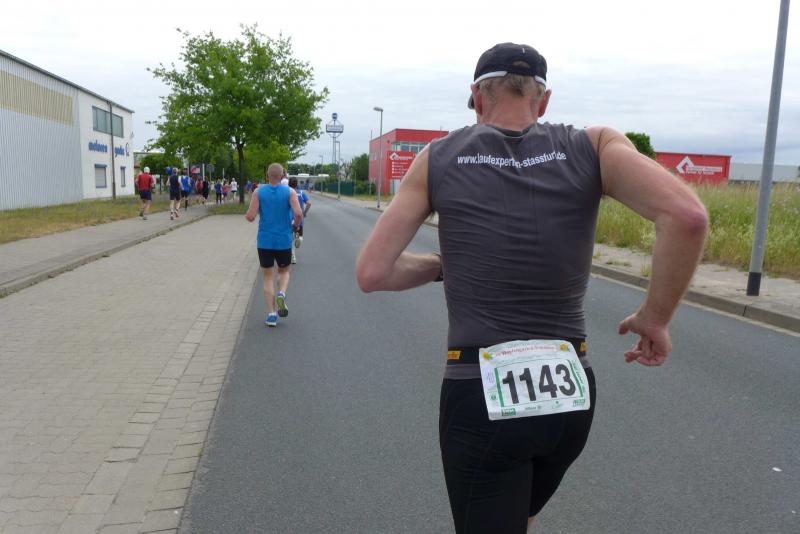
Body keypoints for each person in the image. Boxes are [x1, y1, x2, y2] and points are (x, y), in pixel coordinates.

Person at [355, 42, 708, 533]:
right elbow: (687, 217)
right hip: (569, 396)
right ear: (543, 100)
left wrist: (442, 266)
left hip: (480, 393)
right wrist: (656, 317)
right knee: (518, 514)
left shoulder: (438, 158)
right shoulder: (596, 145)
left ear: (478, 96)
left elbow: (373, 272)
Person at [245, 163, 303, 327]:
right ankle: (281, 293)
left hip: (265, 241)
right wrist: (295, 225)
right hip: (283, 240)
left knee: (267, 277)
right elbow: (298, 213)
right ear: (282, 176)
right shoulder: (290, 192)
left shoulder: (258, 192)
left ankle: (271, 314)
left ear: (267, 175)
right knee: (284, 272)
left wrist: (249, 214)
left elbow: (250, 216)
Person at [287, 176, 311, 264]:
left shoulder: (287, 193)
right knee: (298, 238)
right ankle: (296, 243)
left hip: (289, 219)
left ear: (289, 184)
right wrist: (304, 212)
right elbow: (309, 203)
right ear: (297, 184)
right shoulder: (301, 193)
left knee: (290, 238)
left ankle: (292, 255)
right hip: (299, 219)